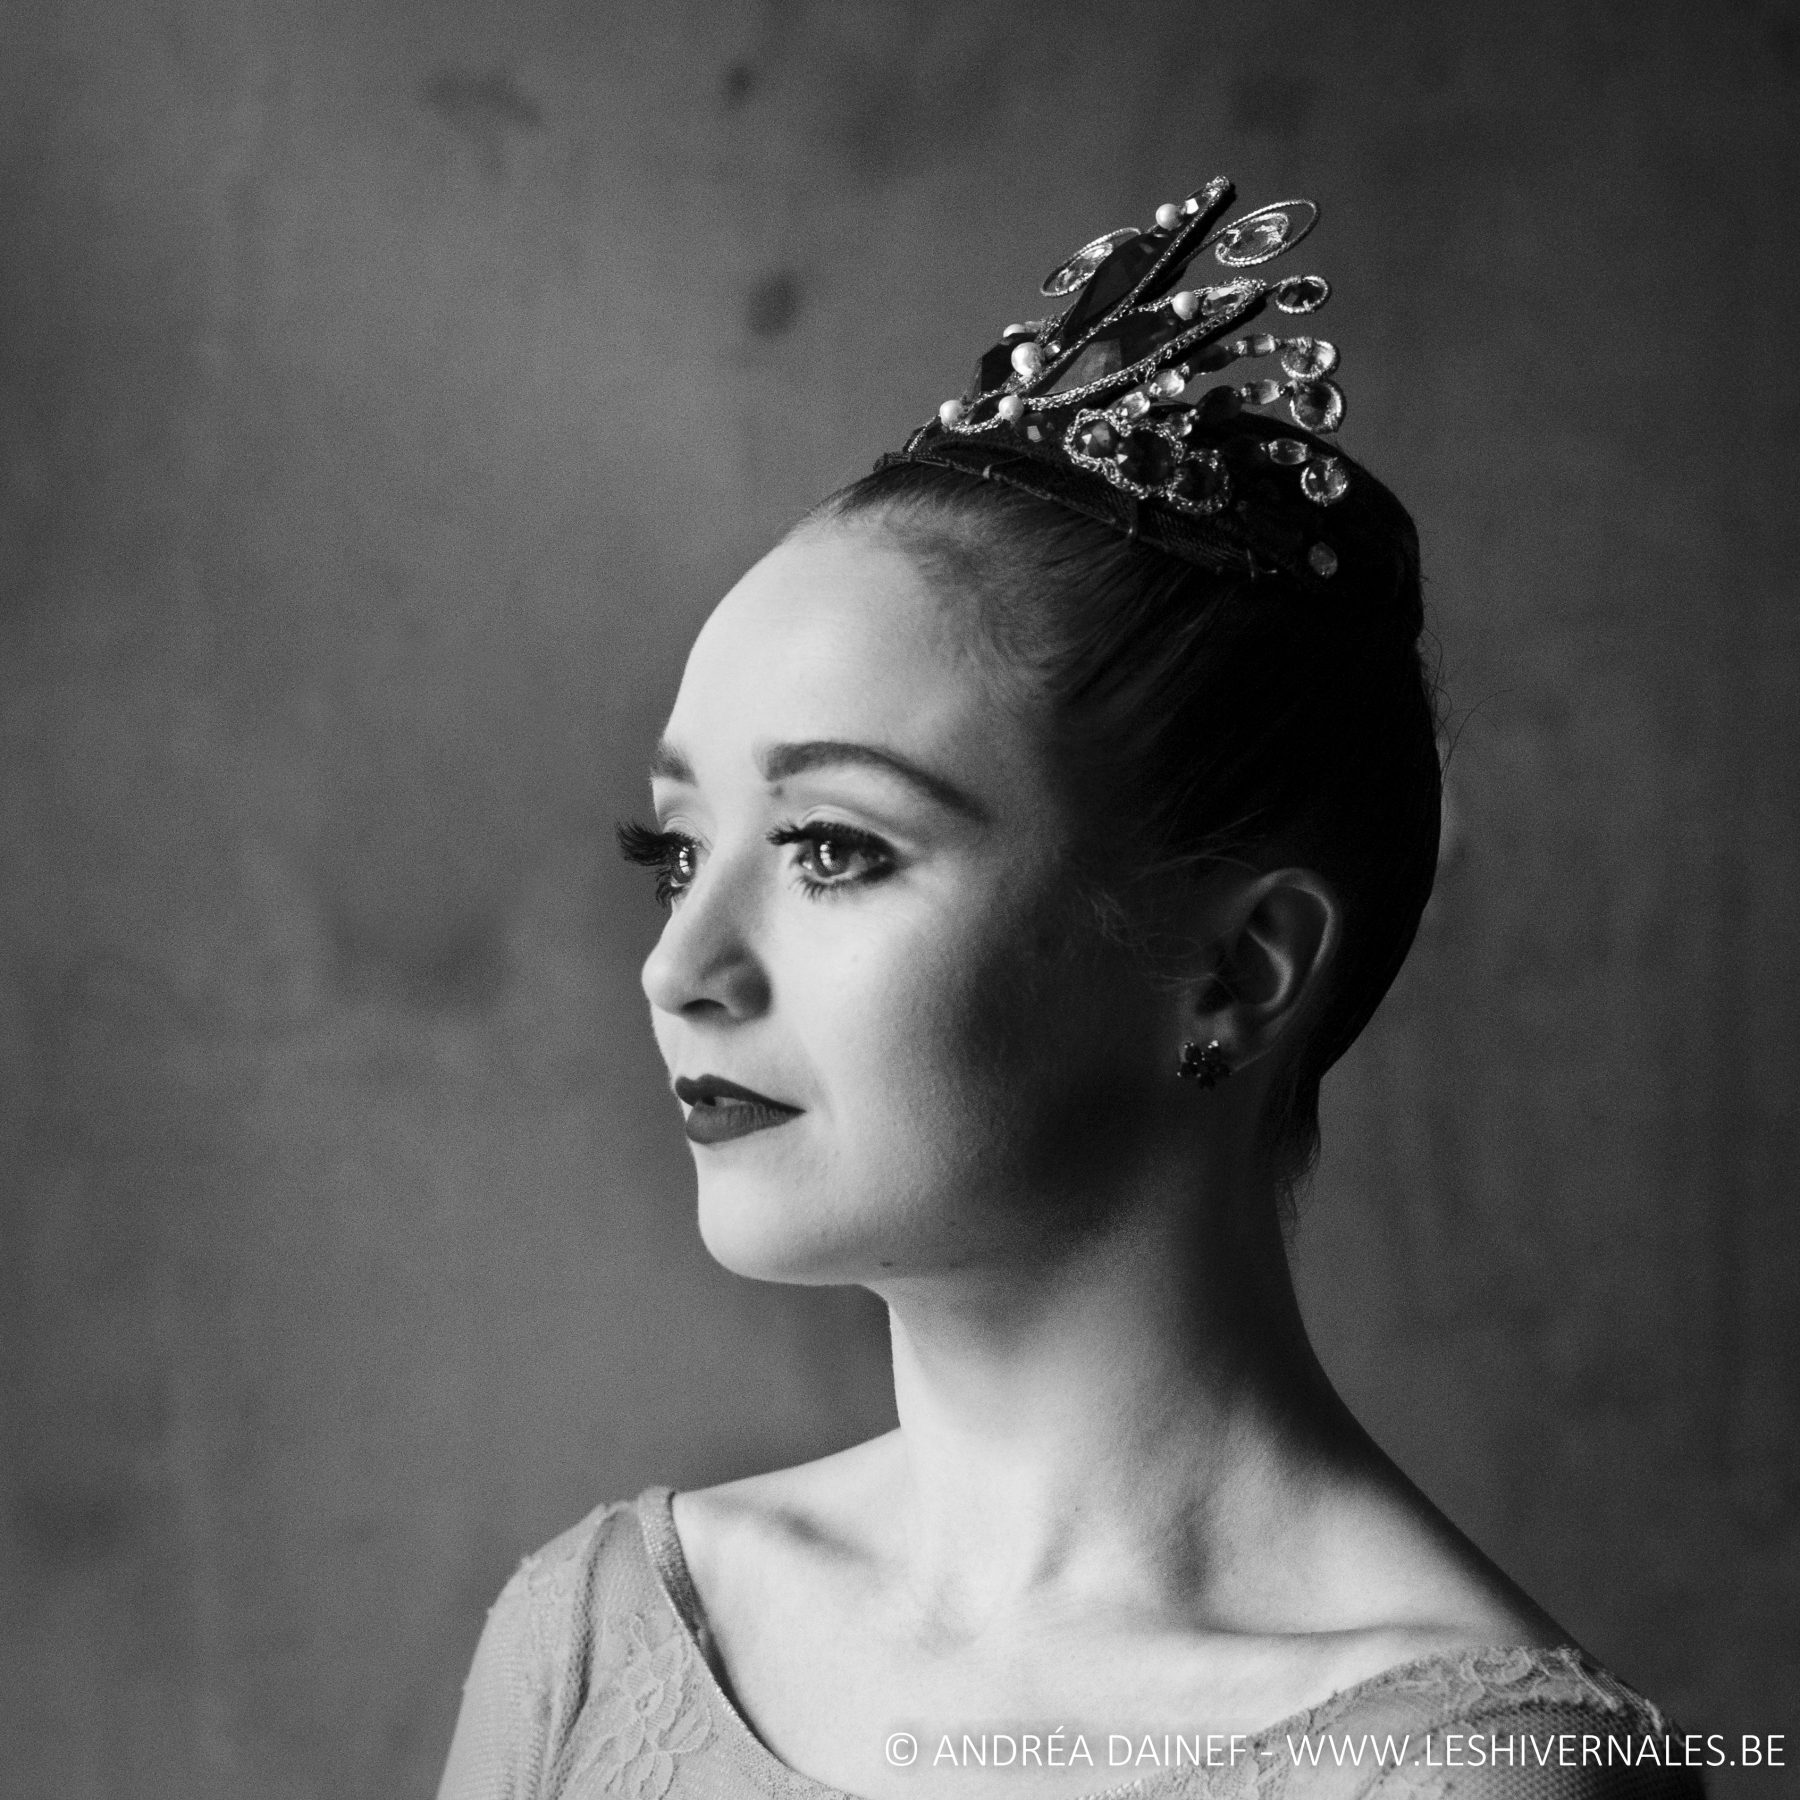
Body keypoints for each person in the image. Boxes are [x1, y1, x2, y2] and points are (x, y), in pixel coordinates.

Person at [436, 179, 1703, 1800]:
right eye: (673, 849)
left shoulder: (1466, 1780)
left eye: (832, 847)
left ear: (1239, 972)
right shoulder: (599, 1640)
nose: (680, 966)